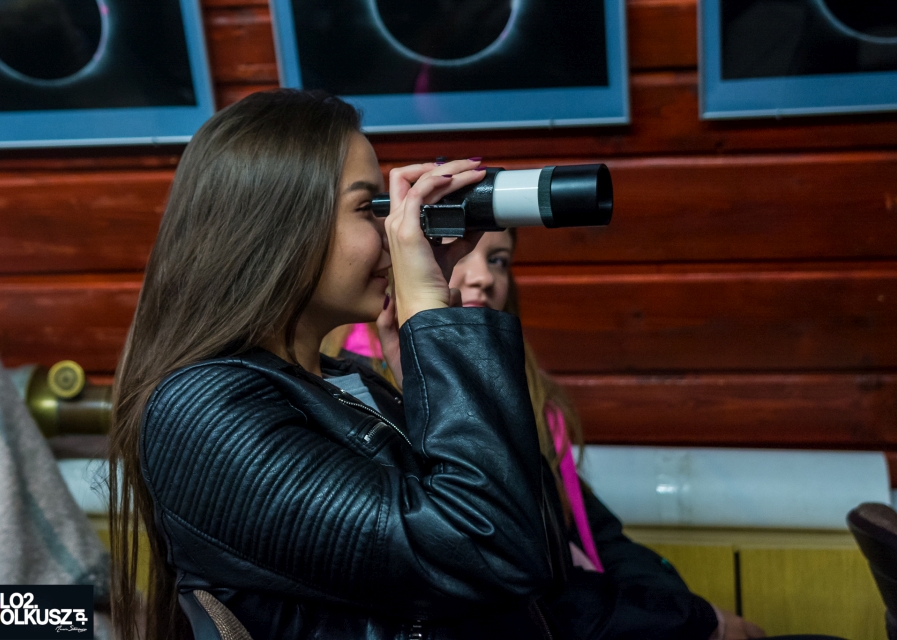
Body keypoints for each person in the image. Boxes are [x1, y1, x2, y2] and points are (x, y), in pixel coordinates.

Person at [107, 90, 567, 640]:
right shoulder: (201, 412)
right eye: (368, 207)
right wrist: (436, 326)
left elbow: (542, 549)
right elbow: (491, 552)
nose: (392, 231)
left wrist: (427, 378)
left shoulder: (349, 378)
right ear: (276, 228)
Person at [329, 230, 849, 640]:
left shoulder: (524, 386)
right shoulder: (366, 389)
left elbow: (590, 529)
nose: (484, 277)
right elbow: (506, 574)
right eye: (458, 252)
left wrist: (682, 608)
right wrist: (687, 620)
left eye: (499, 260)